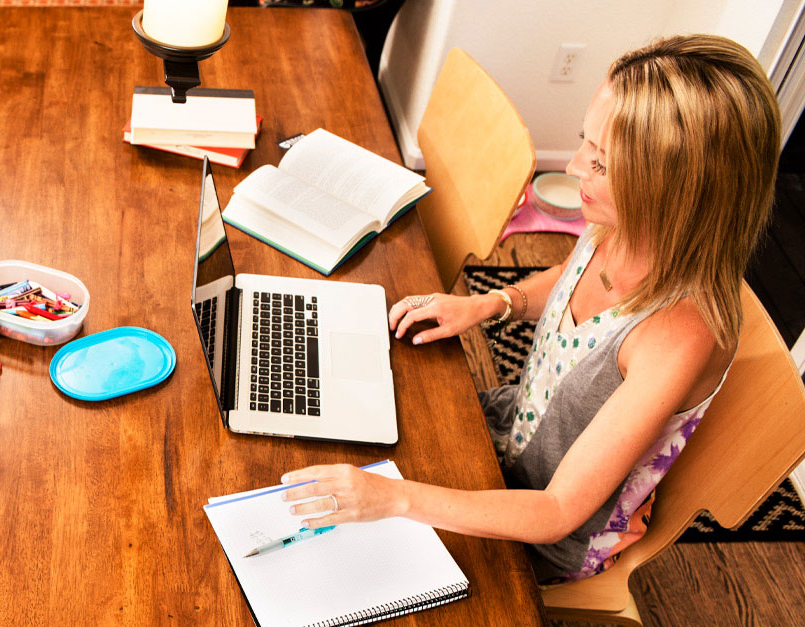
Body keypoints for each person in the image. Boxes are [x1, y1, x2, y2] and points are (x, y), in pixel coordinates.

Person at [279, 34, 780, 583]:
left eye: (604, 165)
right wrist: (489, 303)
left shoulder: (677, 335)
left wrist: (395, 499)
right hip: (508, 438)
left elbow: (558, 512)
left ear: (677, 193)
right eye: (586, 142)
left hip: (548, 533)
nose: (575, 166)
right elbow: (567, 279)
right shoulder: (620, 224)